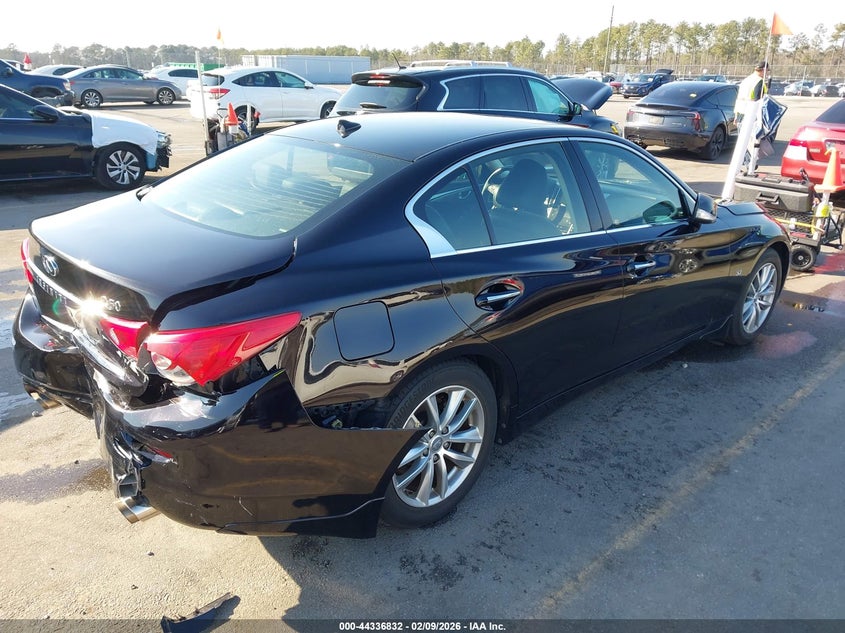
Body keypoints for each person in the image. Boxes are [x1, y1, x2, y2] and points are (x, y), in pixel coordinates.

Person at [734, 61, 769, 127]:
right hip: (750, 114)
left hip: (740, 112)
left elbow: (739, 98)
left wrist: (736, 115)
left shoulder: (746, 80)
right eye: (767, 71)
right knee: (751, 136)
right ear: (764, 70)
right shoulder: (759, 81)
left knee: (741, 136)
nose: (767, 73)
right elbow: (758, 101)